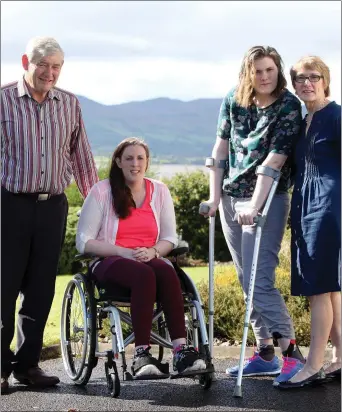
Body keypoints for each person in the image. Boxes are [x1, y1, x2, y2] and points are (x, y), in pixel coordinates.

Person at [200, 46, 305, 386]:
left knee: (259, 280)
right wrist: (215, 197)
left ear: (278, 71)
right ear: (247, 72)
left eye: (269, 70)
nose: (263, 77)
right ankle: (265, 353)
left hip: (267, 199)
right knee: (246, 279)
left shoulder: (289, 106)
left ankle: (292, 353)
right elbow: (220, 148)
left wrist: (255, 206)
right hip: (232, 198)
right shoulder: (234, 99)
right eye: (257, 71)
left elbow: (274, 161)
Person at [1, 37, 99, 394]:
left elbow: (82, 157)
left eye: (57, 67)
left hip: (53, 206)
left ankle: (27, 367)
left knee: (41, 289)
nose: (50, 73)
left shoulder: (69, 104)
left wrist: (99, 206)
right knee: (3, 287)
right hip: (9, 205)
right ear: (27, 61)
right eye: (44, 64)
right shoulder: (3, 100)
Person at [76, 136, 207, 379]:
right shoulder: (102, 191)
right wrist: (121, 251)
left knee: (167, 270)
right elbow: (84, 241)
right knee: (144, 273)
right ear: (117, 161)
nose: (134, 163)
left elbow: (169, 237)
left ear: (146, 163)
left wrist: (155, 251)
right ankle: (141, 354)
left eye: (140, 158)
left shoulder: (160, 191)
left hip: (148, 257)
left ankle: (181, 351)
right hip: (109, 263)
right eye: (128, 158)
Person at [277, 56, 341, 389]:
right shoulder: (305, 119)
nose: (306, 83)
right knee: (330, 289)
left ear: (325, 80)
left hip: (329, 206)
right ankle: (340, 357)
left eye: (313, 77)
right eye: (300, 79)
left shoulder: (336, 115)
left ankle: (312, 365)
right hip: (305, 203)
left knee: (319, 288)